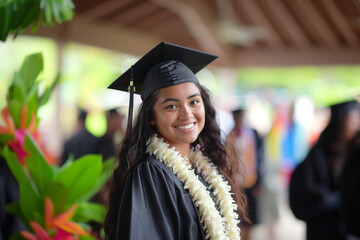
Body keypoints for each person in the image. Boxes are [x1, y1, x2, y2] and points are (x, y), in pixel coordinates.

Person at [104, 42, 248, 240]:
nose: (186, 114)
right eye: (171, 106)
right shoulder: (150, 174)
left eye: (194, 102)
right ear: (151, 117)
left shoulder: (203, 168)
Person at [289, 99, 360, 240]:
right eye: (353, 121)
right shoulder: (318, 156)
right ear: (340, 121)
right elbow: (303, 197)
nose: (356, 126)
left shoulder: (354, 152)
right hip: (323, 231)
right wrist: (336, 200)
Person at [225, 108, 262, 240]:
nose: (239, 120)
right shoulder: (229, 136)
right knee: (238, 216)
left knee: (251, 216)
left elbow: (260, 158)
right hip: (236, 182)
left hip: (251, 180)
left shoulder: (253, 134)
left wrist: (259, 182)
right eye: (236, 118)